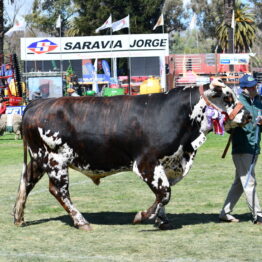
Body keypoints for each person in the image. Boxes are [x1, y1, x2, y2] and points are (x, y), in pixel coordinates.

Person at [219, 74, 262, 224]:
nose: (254, 88)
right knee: (249, 181)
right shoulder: (237, 104)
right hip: (241, 148)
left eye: (255, 86)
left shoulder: (259, 102)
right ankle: (258, 214)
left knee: (240, 182)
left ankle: (225, 213)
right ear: (243, 89)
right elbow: (227, 128)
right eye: (250, 87)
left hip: (255, 147)